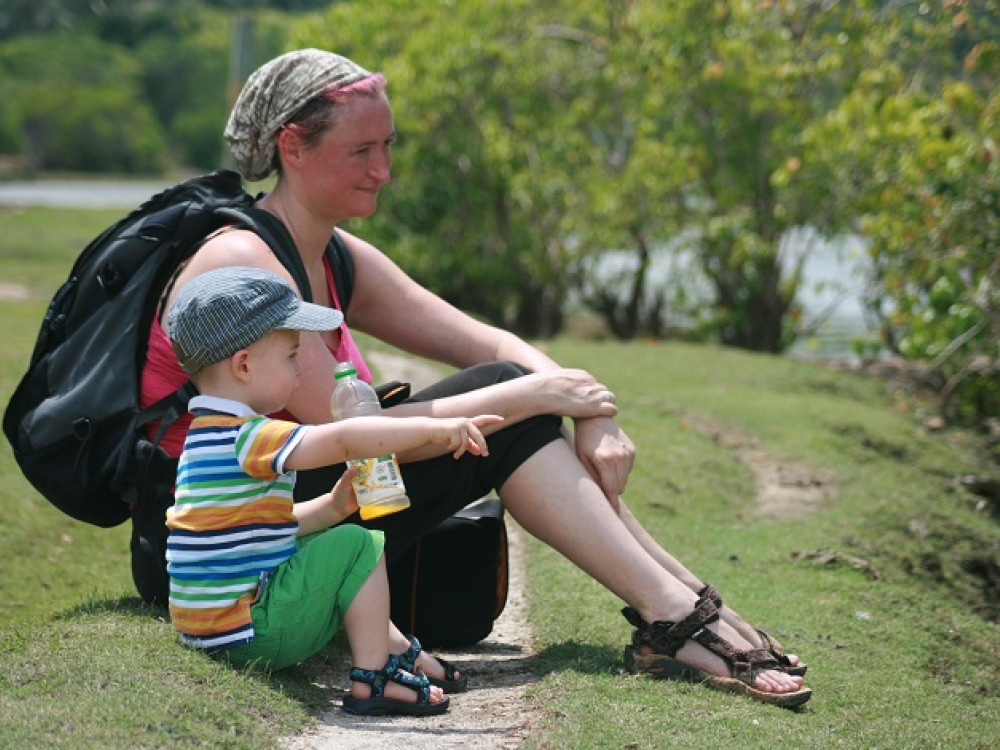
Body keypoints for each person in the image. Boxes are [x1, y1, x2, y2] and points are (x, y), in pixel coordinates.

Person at [141, 48, 811, 707]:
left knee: (516, 394)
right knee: (512, 401)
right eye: (361, 151)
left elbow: (493, 340)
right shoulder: (246, 261)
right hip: (224, 552)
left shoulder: (336, 254)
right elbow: (348, 435)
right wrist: (533, 394)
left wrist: (590, 412)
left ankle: (683, 604)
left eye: (389, 146)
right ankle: (677, 615)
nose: (384, 170)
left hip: (295, 517)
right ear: (293, 146)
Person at [165, 265, 502, 715]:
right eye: (291, 357)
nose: (302, 371)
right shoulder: (249, 435)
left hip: (209, 631)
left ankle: (396, 647)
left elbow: (259, 531)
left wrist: (332, 505)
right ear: (243, 365)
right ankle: (374, 678)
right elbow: (345, 438)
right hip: (252, 631)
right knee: (360, 544)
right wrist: (437, 431)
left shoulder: (203, 437)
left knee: (331, 540)